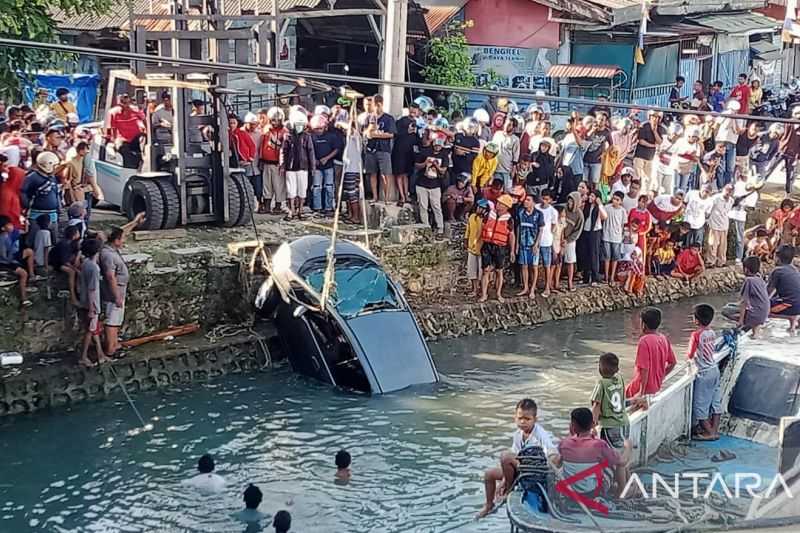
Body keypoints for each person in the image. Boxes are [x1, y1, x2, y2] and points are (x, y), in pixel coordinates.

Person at [478, 398, 557, 518]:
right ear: (515, 418)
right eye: (520, 418)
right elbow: (512, 460)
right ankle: (489, 505)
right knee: (489, 474)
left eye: (527, 419)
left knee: (505, 456)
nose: (523, 422)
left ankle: (509, 490)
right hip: (519, 469)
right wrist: (504, 479)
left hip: (532, 471)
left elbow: (552, 453)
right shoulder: (518, 435)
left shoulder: (541, 435)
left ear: (535, 419)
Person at [553, 407, 631, 498]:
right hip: (592, 493)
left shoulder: (564, 444)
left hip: (570, 492)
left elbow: (556, 463)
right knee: (617, 461)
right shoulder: (599, 445)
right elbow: (623, 461)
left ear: (572, 426)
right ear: (592, 424)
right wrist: (628, 447)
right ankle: (621, 493)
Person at [100, 213, 144, 357]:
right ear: (116, 240)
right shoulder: (108, 255)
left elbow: (123, 231)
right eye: (122, 238)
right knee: (112, 321)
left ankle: (114, 345)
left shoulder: (111, 249)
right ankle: (111, 349)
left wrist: (135, 222)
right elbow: (110, 276)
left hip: (118, 290)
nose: (124, 240)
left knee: (115, 320)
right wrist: (117, 296)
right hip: (114, 292)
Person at [625, 307, 677, 403]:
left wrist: (641, 391)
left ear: (643, 324)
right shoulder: (663, 338)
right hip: (656, 387)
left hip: (641, 388)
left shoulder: (644, 341)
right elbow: (673, 362)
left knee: (618, 398)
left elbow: (644, 369)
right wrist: (661, 376)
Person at [687, 304, 721, 440]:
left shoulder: (696, 334)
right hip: (714, 369)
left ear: (696, 320)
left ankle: (710, 433)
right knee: (715, 402)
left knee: (699, 406)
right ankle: (714, 430)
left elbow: (689, 354)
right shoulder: (712, 333)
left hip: (704, 373)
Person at [479, 194, 516, 303]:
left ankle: (499, 294)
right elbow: (482, 227)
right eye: (498, 202)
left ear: (506, 206)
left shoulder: (509, 219)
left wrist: (512, 251)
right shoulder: (489, 214)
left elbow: (511, 235)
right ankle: (484, 294)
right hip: (487, 244)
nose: (497, 205)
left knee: (499, 271)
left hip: (500, 246)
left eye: (500, 203)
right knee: (485, 270)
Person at [591, 352, 629, 449]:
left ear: (599, 369)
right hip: (624, 422)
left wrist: (592, 426)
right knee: (622, 448)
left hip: (609, 425)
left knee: (610, 451)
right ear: (617, 369)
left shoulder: (601, 383)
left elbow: (596, 406)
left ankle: (616, 464)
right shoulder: (620, 379)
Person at [281, 111, 315, 221]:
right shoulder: (288, 136)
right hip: (290, 167)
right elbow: (283, 151)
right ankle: (291, 211)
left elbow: (311, 152)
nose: (299, 126)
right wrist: (282, 165)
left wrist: (312, 167)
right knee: (291, 190)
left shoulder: (307, 137)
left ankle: (300, 210)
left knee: (302, 190)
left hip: (303, 167)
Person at [415, 133, 449, 235]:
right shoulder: (425, 152)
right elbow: (416, 165)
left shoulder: (444, 155)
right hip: (422, 183)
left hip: (435, 185)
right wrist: (425, 163)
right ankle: (426, 227)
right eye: (436, 145)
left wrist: (436, 166)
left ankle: (440, 228)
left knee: (436, 206)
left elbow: (443, 170)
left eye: (439, 145)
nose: (437, 147)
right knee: (423, 206)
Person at [364, 94, 396, 202]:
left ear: (379, 104)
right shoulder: (369, 117)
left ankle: (387, 198)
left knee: (385, 174)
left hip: (384, 149)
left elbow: (391, 134)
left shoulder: (388, 118)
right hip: (371, 149)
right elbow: (366, 133)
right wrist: (371, 129)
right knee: (372, 173)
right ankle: (375, 197)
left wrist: (376, 134)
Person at [21, 151, 61, 227]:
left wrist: (58, 206)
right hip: (36, 214)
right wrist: (27, 204)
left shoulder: (52, 177)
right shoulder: (33, 177)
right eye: (54, 166)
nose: (55, 168)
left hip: (52, 214)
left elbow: (56, 193)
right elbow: (23, 191)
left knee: (53, 236)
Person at [105, 94, 145, 169]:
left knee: (143, 140)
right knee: (122, 147)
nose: (125, 105)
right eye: (123, 103)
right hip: (123, 139)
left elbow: (143, 119)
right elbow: (110, 129)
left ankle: (144, 162)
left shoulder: (135, 110)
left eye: (127, 103)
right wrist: (111, 141)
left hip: (135, 138)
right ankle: (130, 168)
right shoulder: (113, 113)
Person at [0, 215, 32, 307]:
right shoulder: (2, 239)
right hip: (5, 263)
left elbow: (24, 231)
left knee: (29, 252)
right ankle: (24, 299)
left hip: (12, 258)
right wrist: (13, 261)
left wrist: (26, 223)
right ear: (3, 228)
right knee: (23, 274)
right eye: (9, 224)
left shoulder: (8, 234)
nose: (11, 226)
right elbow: (3, 256)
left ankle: (32, 276)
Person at [515, 194, 544, 298]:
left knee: (534, 267)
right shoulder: (521, 212)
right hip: (523, 243)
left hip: (533, 244)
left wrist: (536, 244)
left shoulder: (539, 214)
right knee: (524, 266)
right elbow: (518, 228)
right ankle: (526, 287)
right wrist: (517, 244)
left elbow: (541, 230)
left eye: (528, 200)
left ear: (533, 202)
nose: (525, 202)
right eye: (525, 200)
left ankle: (532, 288)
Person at [260, 107, 287, 214]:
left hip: (277, 164)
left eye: (277, 120)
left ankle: (278, 206)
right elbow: (262, 146)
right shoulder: (266, 130)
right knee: (267, 185)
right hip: (266, 162)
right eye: (272, 120)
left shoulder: (284, 132)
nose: (275, 122)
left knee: (279, 185)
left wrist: (283, 164)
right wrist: (261, 159)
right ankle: (267, 206)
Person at [393, 103, 420, 206]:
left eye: (415, 111)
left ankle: (406, 194)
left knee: (406, 174)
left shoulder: (417, 122)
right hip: (400, 151)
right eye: (412, 110)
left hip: (410, 152)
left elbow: (417, 138)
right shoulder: (401, 121)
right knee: (399, 174)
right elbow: (395, 133)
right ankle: (402, 196)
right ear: (409, 110)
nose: (413, 112)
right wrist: (406, 131)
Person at [768, 245, 800, 334]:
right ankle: (793, 323)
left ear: (777, 258)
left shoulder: (777, 271)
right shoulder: (795, 270)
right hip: (797, 304)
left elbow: (767, 293)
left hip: (791, 307)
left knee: (761, 309)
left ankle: (791, 317)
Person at [579, 190, 607, 286]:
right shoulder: (586, 206)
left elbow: (604, 217)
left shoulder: (598, 208)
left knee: (594, 255)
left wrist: (600, 205)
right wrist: (583, 200)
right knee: (585, 254)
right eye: (590, 195)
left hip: (595, 232)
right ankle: (585, 277)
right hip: (586, 231)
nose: (590, 198)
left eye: (593, 196)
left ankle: (595, 277)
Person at [738, 256, 770, 337]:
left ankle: (747, 325)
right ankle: (755, 332)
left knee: (727, 310)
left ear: (746, 269)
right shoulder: (760, 279)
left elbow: (744, 302)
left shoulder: (748, 281)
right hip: (764, 314)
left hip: (754, 315)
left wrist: (740, 321)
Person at [633, 111, 663, 193]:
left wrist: (654, 131)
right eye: (653, 116)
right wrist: (653, 145)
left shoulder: (659, 128)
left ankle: (644, 194)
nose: (655, 119)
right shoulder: (644, 126)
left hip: (650, 157)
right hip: (640, 155)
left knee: (647, 178)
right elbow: (641, 141)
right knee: (637, 176)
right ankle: (635, 192)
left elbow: (660, 141)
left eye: (657, 117)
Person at [706, 184, 734, 268]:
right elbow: (708, 210)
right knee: (712, 245)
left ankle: (721, 261)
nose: (728, 192)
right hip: (714, 224)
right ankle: (710, 261)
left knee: (723, 245)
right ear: (723, 190)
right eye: (727, 190)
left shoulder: (731, 201)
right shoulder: (716, 198)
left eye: (730, 191)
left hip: (724, 225)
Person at [602, 191, 627, 286]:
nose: (615, 201)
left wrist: (622, 236)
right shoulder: (607, 208)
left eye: (617, 200)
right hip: (606, 235)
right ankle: (606, 276)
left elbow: (623, 225)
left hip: (617, 237)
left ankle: (612, 276)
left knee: (615, 258)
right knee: (607, 257)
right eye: (614, 199)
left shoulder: (622, 211)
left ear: (621, 201)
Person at [537, 190, 558, 297]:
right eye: (543, 198)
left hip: (546, 240)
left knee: (547, 264)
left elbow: (553, 226)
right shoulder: (536, 207)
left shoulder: (553, 212)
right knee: (534, 264)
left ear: (550, 200)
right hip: (535, 240)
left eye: (547, 199)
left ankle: (547, 286)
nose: (544, 201)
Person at [562, 191, 584, 292]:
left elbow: (577, 231)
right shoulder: (564, 209)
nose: (570, 204)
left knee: (570, 261)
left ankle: (570, 282)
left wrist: (568, 240)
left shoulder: (579, 215)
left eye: (572, 202)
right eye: (569, 202)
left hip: (570, 240)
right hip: (560, 237)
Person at [465, 200, 488, 297]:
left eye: (482, 208)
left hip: (482, 248)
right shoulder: (472, 217)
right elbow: (468, 230)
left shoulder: (486, 220)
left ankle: (481, 290)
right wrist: (466, 240)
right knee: (472, 270)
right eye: (479, 207)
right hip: (471, 247)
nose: (480, 209)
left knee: (481, 271)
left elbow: (482, 232)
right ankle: (474, 289)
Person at [491, 118, 520, 191]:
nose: (507, 126)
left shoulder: (515, 139)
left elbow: (516, 156)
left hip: (507, 169)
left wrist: (513, 170)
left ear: (513, 127)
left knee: (506, 190)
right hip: (495, 167)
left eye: (510, 125)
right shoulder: (497, 134)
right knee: (495, 189)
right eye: (506, 124)